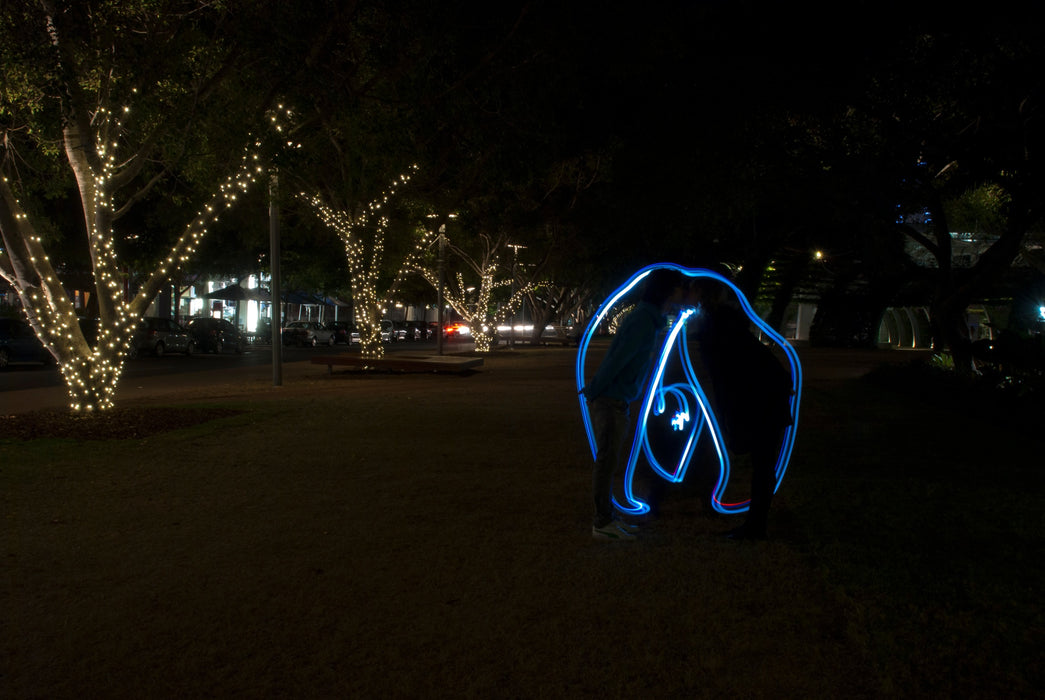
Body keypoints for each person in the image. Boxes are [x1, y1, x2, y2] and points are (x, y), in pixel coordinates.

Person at [581, 268, 685, 541]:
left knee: (609, 462)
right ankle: (602, 523)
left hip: (618, 400)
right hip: (611, 401)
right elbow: (618, 359)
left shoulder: (649, 320)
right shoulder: (642, 320)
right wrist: (594, 390)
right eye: (678, 288)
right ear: (666, 291)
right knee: (606, 463)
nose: (682, 294)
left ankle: (607, 519)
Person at [687, 277, 793, 540]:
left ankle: (755, 527)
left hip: (760, 398)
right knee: (762, 463)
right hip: (764, 395)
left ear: (699, 293)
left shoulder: (716, 326)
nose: (685, 296)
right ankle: (755, 525)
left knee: (762, 462)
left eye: (690, 290)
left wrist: (728, 413)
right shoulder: (721, 322)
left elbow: (729, 373)